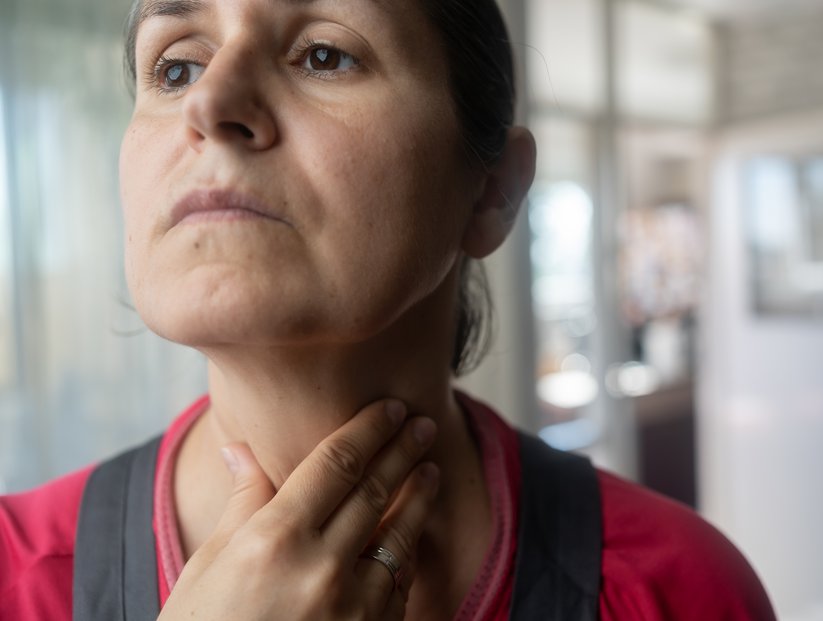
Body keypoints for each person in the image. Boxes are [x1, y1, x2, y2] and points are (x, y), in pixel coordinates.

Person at [0, 0, 778, 618]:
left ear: (492, 190)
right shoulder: (14, 573)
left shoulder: (682, 591)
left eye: (324, 53)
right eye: (174, 68)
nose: (210, 101)